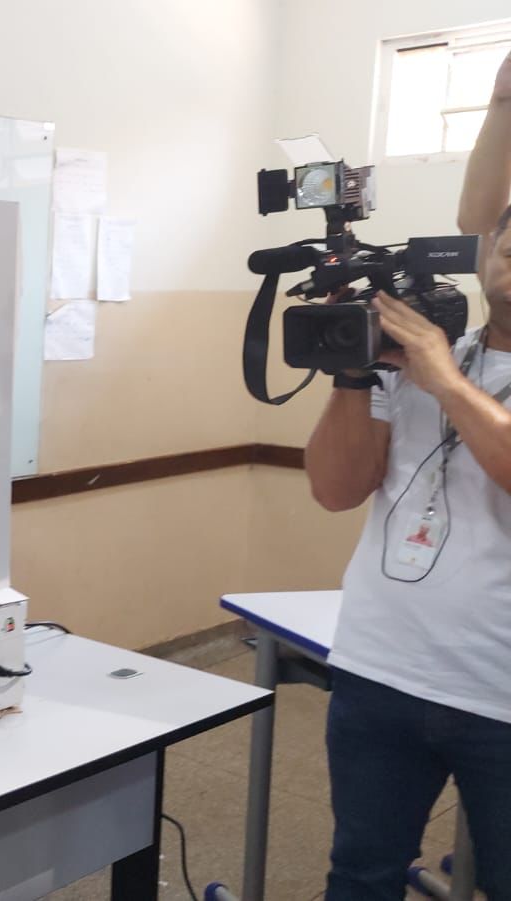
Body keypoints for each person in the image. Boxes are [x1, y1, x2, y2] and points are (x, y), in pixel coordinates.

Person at [304, 49, 511, 900]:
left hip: (500, 693)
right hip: (379, 670)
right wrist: (356, 375)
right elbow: (336, 487)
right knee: (360, 874)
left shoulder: (442, 369)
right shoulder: (434, 354)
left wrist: (446, 381)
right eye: (507, 230)